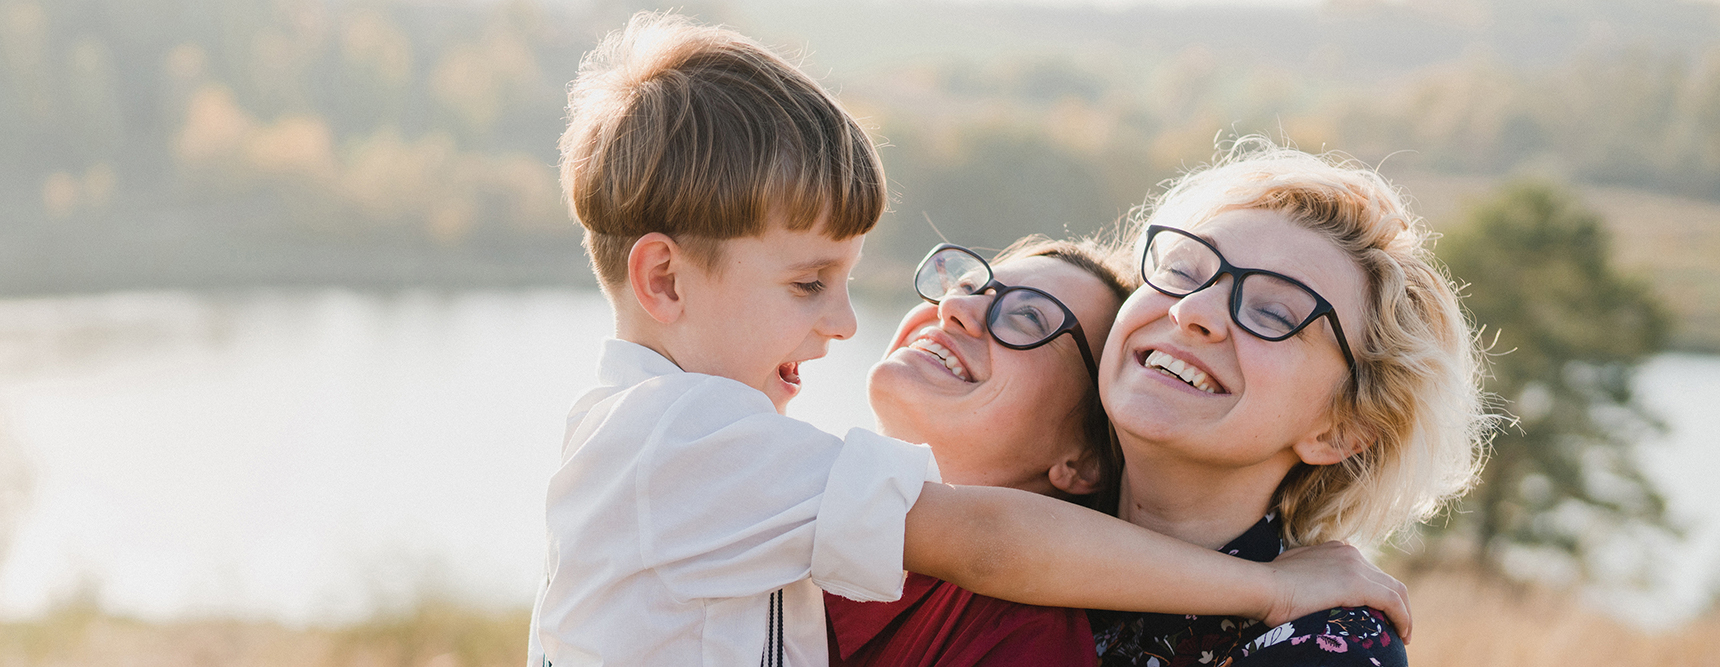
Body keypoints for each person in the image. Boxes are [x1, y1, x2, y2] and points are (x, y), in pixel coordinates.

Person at [528, 15, 1415, 666]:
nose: (844, 321)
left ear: (1077, 459)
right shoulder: (688, 441)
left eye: (1029, 319)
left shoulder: (685, 443)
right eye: (808, 284)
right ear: (664, 280)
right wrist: (1269, 587)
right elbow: (981, 536)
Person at [1089, 139, 1494, 666]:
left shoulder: (1327, 645)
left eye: (1274, 314)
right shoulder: (1003, 499)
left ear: (1339, 431)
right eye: (1185, 271)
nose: (1193, 310)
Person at [826, 236, 1134, 667]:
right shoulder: (772, 476)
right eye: (966, 287)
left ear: (1084, 462)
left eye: (1028, 316)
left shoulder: (1022, 643)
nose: (956, 308)